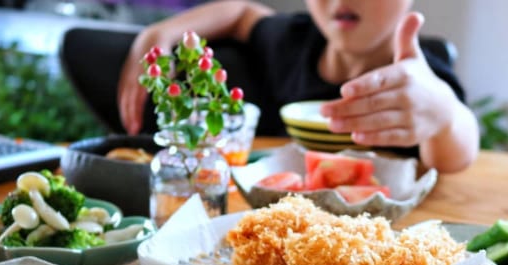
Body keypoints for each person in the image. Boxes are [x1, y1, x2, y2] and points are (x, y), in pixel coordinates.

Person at [118, 0, 479, 173]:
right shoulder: (293, 41)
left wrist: (443, 115)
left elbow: (456, 150)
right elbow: (243, 13)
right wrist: (158, 34)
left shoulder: (418, 76)